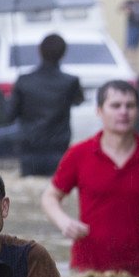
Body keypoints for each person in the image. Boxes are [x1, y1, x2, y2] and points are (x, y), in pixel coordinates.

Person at [42, 80, 139, 277]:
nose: (124, 112)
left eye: (130, 106)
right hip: (87, 270)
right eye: (115, 105)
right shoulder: (79, 153)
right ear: (99, 111)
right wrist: (64, 222)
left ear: (138, 111)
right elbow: (50, 197)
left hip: (136, 271)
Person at [8, 32, 84, 178]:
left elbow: (10, 115)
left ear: (39, 50)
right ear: (63, 53)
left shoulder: (24, 81)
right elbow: (78, 100)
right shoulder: (71, 82)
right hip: (58, 148)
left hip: (29, 149)